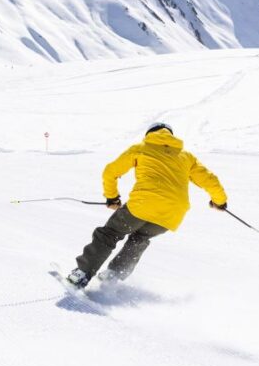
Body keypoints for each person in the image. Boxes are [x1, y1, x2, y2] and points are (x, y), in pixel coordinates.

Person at [66, 122, 227, 288]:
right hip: (172, 214)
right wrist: (219, 202)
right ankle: (113, 277)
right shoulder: (186, 156)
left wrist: (112, 198)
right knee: (140, 238)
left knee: (109, 234)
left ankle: (82, 274)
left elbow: (110, 171)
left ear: (149, 134)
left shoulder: (141, 148)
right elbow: (211, 181)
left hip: (142, 205)